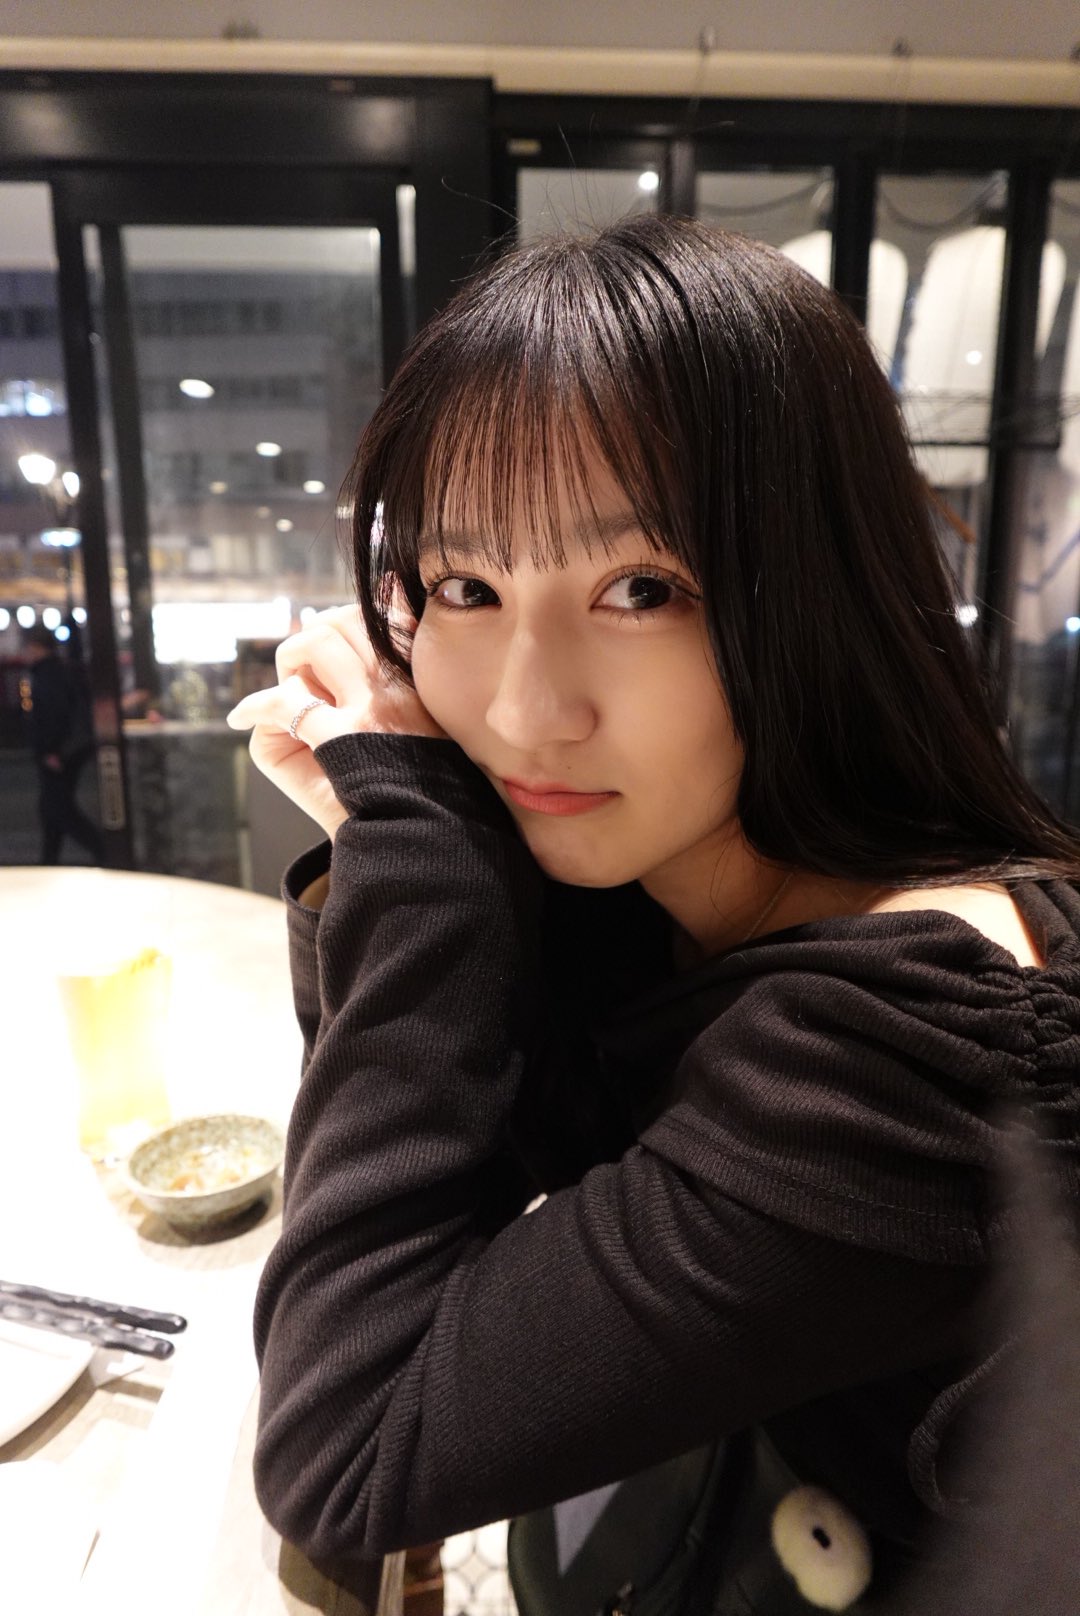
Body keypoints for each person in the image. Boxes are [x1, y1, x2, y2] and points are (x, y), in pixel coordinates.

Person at [226, 216, 1080, 1611]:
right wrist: (402, 853)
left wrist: (423, 849)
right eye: (466, 586)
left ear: (817, 596)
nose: (524, 710)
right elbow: (428, 1193)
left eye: (640, 589)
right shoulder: (654, 890)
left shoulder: (909, 1043)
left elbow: (351, 1441)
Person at [21, 623, 103, 866]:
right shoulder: (62, 670)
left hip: (58, 752)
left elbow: (52, 715)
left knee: (58, 808)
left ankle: (104, 851)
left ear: (35, 647)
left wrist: (50, 750)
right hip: (68, 750)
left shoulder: (46, 675)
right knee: (52, 808)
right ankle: (49, 860)